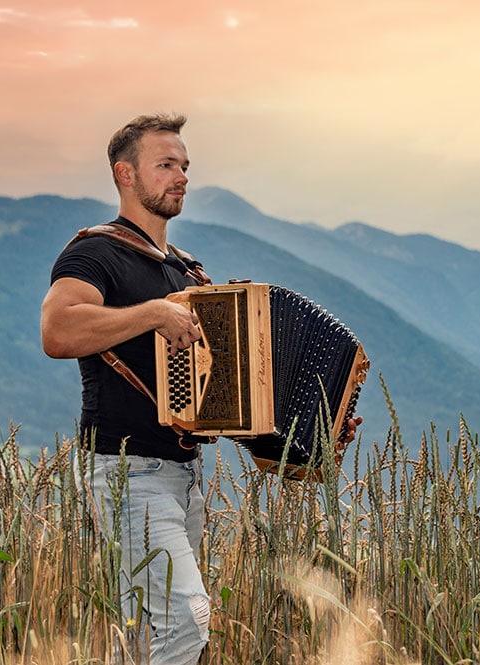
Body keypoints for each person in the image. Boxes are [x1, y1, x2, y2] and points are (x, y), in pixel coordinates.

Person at [40, 113, 359, 664]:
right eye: (165, 165)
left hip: (183, 479)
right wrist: (151, 315)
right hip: (127, 472)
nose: (181, 176)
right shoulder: (94, 254)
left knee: (144, 639)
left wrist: (311, 439)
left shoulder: (189, 277)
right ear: (126, 175)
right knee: (185, 624)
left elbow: (227, 404)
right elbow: (58, 330)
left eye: (184, 166)